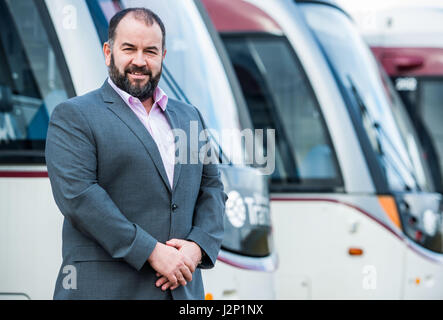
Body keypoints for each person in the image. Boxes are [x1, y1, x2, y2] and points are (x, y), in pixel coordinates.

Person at [45, 7, 227, 300]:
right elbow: (79, 197)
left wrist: (197, 248)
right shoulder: (74, 115)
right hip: (106, 292)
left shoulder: (189, 116)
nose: (139, 61)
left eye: (150, 51)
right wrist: (152, 251)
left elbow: (212, 189)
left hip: (182, 292)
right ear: (108, 52)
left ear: (163, 57)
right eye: (129, 49)